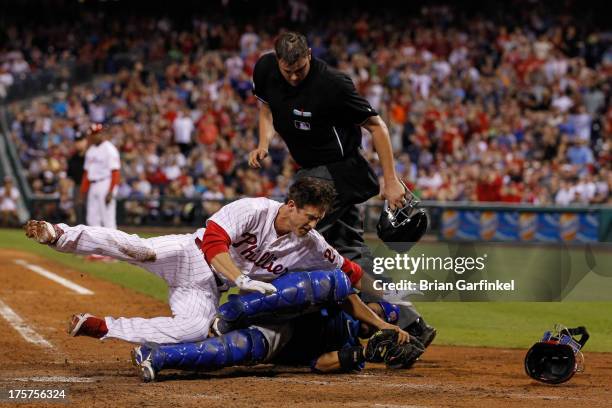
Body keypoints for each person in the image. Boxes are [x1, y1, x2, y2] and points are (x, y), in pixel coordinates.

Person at [23, 177, 378, 345]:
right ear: (290, 205)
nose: (313, 225)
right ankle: (59, 234)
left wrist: (390, 310)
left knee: (194, 330)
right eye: (310, 217)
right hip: (188, 253)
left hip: (208, 287)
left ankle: (103, 327)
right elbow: (212, 242)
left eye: (318, 220)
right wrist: (240, 278)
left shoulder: (313, 243)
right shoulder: (252, 208)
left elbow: (351, 274)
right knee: (138, 248)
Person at [248, 31, 435, 338]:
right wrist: (263, 143)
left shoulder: (333, 83)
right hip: (313, 170)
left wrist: (391, 180)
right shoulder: (265, 69)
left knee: (292, 241)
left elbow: (377, 126)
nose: (294, 77)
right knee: (352, 252)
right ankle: (411, 323)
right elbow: (266, 109)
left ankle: (271, 326)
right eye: (288, 71)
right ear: (277, 61)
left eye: (300, 69)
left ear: (310, 53)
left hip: (335, 170)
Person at [131, 291, 420, 382]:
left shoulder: (353, 350)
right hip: (273, 313)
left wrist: (363, 354)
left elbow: (320, 364)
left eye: (384, 322)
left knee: (220, 351)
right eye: (378, 314)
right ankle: (233, 310)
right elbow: (337, 288)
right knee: (201, 326)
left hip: (277, 343)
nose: (375, 324)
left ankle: (156, 354)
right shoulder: (344, 302)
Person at [80, 123, 120, 229]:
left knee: (108, 219)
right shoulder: (91, 150)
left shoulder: (109, 149)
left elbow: (115, 172)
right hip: (93, 185)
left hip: (106, 183)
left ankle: (113, 245)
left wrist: (111, 191)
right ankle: (96, 245)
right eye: (93, 134)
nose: (94, 136)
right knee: (92, 219)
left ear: (102, 134)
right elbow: (87, 173)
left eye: (96, 133)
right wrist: (83, 191)